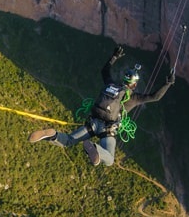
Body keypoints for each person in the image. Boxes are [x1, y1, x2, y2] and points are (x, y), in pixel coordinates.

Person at [28, 46, 175, 166]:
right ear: (135, 84)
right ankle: (97, 150)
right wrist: (168, 84)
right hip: (107, 130)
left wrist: (114, 56)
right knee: (110, 160)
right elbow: (155, 96)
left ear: (124, 78)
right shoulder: (134, 98)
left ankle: (52, 134)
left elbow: (104, 71)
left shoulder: (111, 84)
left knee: (68, 141)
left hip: (92, 123)